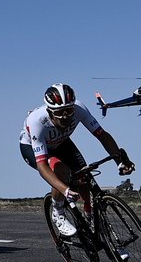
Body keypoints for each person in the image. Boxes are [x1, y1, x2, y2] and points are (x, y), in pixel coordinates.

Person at [20, 83, 135, 237]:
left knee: (84, 177)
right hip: (34, 147)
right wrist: (64, 190)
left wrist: (119, 161)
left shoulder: (79, 109)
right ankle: (58, 212)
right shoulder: (37, 121)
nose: (66, 116)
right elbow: (42, 166)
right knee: (61, 172)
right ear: (50, 111)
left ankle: (91, 219)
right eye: (60, 112)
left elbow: (102, 135)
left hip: (62, 142)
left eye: (68, 110)